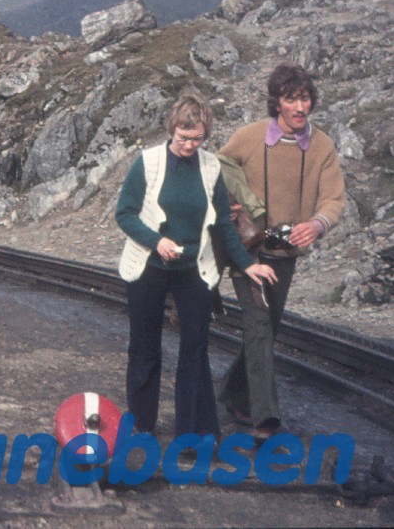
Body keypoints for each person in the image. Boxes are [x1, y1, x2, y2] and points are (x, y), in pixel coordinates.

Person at [116, 91, 278, 438]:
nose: (190, 145)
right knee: (145, 347)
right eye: (184, 138)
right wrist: (156, 241)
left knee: (195, 348)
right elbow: (125, 214)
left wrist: (246, 265)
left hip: (193, 268)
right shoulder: (147, 163)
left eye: (197, 139)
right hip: (148, 266)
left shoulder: (210, 167)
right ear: (172, 129)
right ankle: (142, 425)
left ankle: (193, 432)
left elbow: (222, 224)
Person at [216, 64, 345, 439]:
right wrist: (231, 204)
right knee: (258, 326)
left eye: (305, 98)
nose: (300, 106)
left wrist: (317, 224)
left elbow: (334, 199)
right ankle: (265, 418)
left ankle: (232, 393)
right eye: (291, 99)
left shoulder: (322, 146)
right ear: (277, 104)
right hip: (248, 250)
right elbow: (218, 169)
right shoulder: (249, 137)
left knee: (267, 330)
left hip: (285, 255)